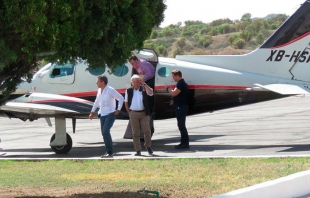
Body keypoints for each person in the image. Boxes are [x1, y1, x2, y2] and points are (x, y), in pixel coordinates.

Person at [89, 74, 124, 158]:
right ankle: (108, 151)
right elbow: (97, 102)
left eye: (97, 81)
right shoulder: (99, 91)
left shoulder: (110, 90)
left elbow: (121, 98)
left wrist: (118, 109)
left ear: (103, 82)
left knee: (105, 131)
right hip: (102, 114)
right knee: (104, 133)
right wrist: (92, 112)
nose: (96, 83)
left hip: (110, 113)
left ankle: (110, 151)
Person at [124, 75, 154, 156]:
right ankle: (138, 150)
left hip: (144, 113)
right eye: (134, 82)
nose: (136, 83)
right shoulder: (128, 90)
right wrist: (129, 112)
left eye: (137, 81)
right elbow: (126, 102)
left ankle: (148, 146)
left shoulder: (143, 88)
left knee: (147, 131)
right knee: (135, 132)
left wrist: (144, 84)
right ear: (131, 83)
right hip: (133, 113)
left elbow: (151, 92)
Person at [166, 69, 189, 149]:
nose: (173, 78)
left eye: (173, 76)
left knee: (181, 125)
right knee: (181, 125)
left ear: (177, 76)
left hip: (181, 107)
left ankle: (185, 143)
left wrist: (168, 88)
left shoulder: (180, 84)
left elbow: (174, 93)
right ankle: (184, 142)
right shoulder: (181, 83)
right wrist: (174, 101)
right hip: (181, 106)